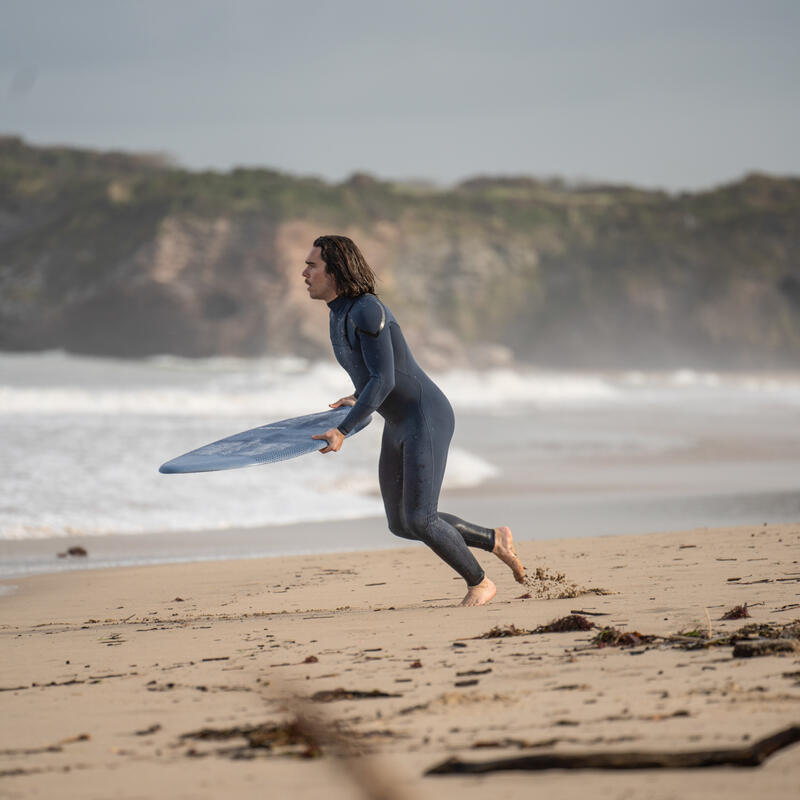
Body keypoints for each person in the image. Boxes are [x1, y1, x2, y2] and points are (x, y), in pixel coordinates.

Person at [303, 235, 525, 606]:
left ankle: (480, 583)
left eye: (313, 266)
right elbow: (373, 373)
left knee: (422, 518)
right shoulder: (338, 314)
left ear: (335, 270)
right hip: (398, 421)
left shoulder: (366, 310)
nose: (304, 273)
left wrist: (343, 430)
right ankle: (494, 539)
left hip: (425, 417)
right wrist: (357, 398)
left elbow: (385, 379)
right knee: (402, 523)